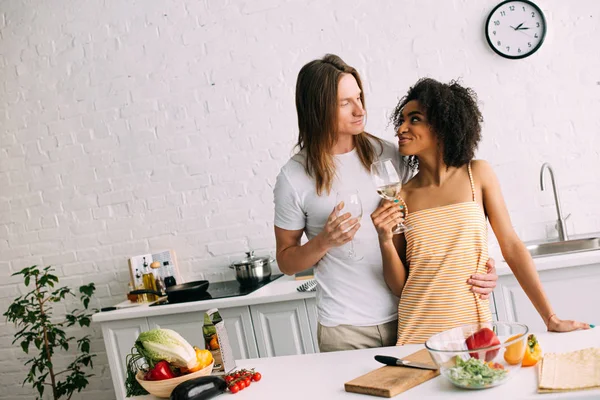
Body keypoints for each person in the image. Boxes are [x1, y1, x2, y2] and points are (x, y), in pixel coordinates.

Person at [273, 55, 499, 352]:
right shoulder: (294, 177)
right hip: (344, 328)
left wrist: (480, 266)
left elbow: (436, 215)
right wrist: (323, 242)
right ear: (317, 109)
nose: (360, 110)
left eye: (359, 97)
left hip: (413, 317)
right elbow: (286, 261)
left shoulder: (390, 156)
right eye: (345, 103)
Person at [371, 78, 591, 346]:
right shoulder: (401, 195)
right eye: (402, 120)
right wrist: (384, 240)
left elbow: (511, 246)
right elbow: (400, 287)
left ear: (442, 125)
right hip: (417, 335)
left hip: (474, 332)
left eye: (414, 119)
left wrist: (550, 318)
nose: (401, 128)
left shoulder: (478, 174)